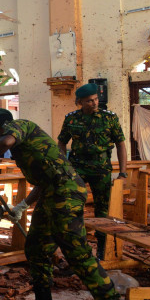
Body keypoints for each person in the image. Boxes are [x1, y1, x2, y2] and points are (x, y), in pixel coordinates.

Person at [0, 108, 140, 300]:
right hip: (52, 193)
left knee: (78, 256)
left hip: (66, 193)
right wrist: (23, 205)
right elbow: (44, 181)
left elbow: (6, 141)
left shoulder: (20, 126)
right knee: (35, 249)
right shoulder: (24, 148)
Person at [57, 83, 127, 259]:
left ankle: (102, 249)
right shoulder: (71, 119)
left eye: (96, 99)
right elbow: (61, 142)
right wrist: (64, 166)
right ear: (79, 102)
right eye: (89, 101)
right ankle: (78, 249)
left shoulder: (109, 118)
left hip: (101, 168)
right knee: (74, 207)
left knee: (102, 210)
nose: (95, 103)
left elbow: (121, 144)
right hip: (77, 168)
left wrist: (123, 172)